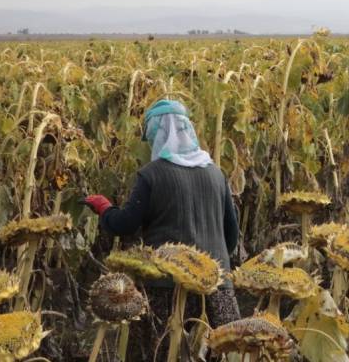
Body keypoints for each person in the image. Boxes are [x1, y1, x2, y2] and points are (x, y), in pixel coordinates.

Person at [84, 99, 241, 358]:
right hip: (217, 288)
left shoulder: (152, 174)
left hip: (165, 290)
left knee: (160, 353)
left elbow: (125, 225)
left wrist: (104, 208)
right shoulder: (216, 174)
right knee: (220, 353)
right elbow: (231, 237)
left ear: (158, 134)